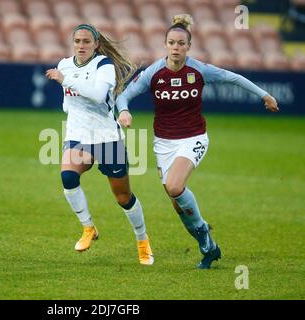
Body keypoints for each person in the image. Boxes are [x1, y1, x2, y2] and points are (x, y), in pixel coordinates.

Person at [116, 14, 279, 269]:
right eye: (172, 43)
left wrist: (264, 95)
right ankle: (209, 248)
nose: (176, 48)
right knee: (178, 204)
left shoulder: (198, 70)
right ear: (165, 44)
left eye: (181, 44)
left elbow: (233, 78)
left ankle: (203, 231)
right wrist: (124, 111)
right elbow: (124, 96)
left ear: (188, 46)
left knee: (174, 186)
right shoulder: (154, 73)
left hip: (193, 138)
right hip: (163, 143)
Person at [45, 24, 154, 265]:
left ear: (96, 44)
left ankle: (142, 240)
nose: (81, 46)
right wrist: (69, 103)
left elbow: (96, 95)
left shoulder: (103, 65)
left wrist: (66, 80)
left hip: (106, 136)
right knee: (68, 178)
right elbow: (68, 101)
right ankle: (88, 228)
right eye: (77, 41)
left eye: (86, 41)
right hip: (78, 133)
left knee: (123, 197)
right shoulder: (65, 64)